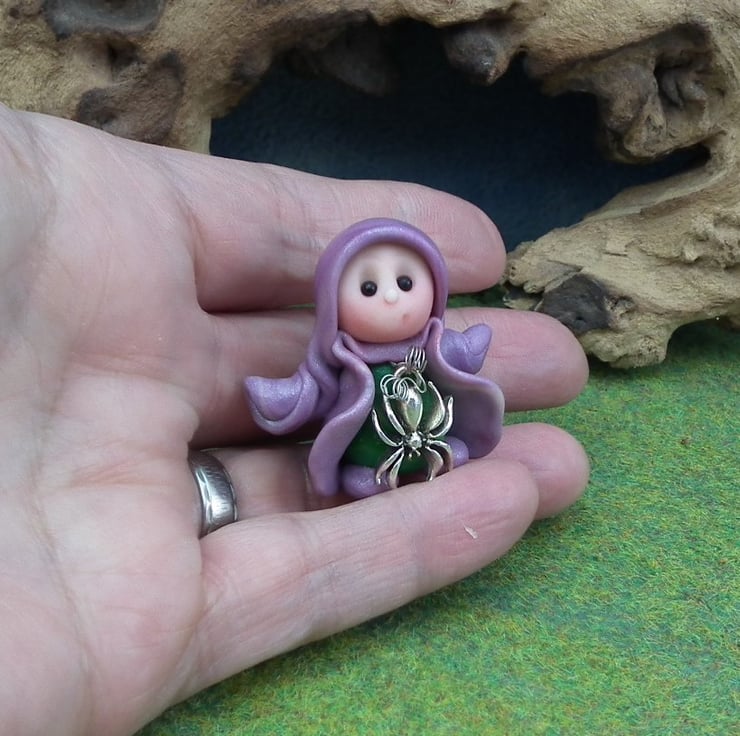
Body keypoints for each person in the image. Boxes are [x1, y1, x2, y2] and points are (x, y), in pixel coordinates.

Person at [0, 103, 589, 736]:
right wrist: (283, 398)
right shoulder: (342, 361)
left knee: (457, 451)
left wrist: (465, 350)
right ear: (336, 301)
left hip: (432, 435)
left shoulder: (430, 347)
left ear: (435, 290)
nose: (392, 300)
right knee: (362, 474)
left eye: (406, 283)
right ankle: (375, 479)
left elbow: (461, 360)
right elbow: (311, 391)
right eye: (369, 289)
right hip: (372, 453)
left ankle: (436, 461)